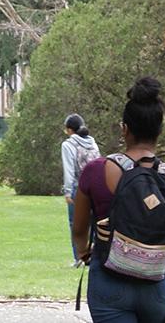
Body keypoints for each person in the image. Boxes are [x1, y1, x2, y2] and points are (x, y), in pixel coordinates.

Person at [72, 77, 165, 323]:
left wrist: (86, 252)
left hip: (108, 283)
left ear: (124, 129)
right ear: (159, 131)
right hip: (156, 289)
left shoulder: (95, 171)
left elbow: (78, 230)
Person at [61, 113, 99, 265]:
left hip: (79, 187)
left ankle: (79, 257)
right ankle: (96, 257)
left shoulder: (68, 145)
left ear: (70, 130)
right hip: (96, 187)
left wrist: (68, 191)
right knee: (95, 223)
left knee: (76, 223)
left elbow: (69, 170)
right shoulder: (93, 143)